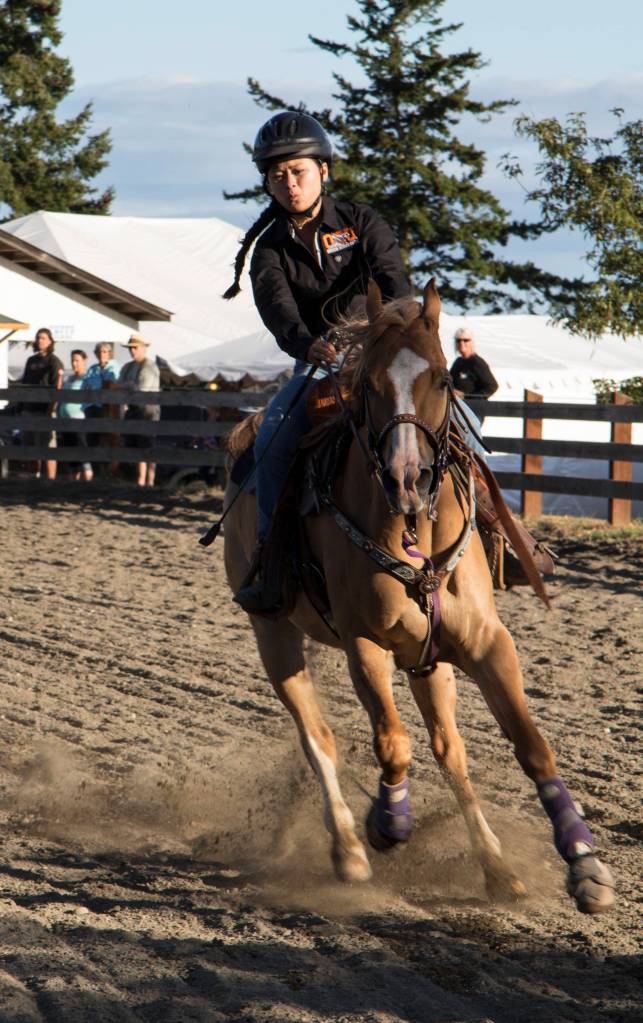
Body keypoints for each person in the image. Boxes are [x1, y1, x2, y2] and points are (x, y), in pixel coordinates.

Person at [223, 110, 412, 613]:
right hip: (319, 362)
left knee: (462, 419)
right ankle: (269, 557)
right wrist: (307, 344)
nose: (289, 184)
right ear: (267, 182)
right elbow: (279, 313)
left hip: (379, 353)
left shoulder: (362, 222)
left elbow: (395, 286)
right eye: (277, 175)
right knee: (272, 436)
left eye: (298, 172)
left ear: (324, 171)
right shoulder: (268, 252)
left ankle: (505, 534)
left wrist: (391, 334)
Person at [20, 327, 64, 480]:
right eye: (38, 337)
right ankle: (34, 477)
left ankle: (51, 480)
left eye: (44, 338)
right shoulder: (31, 361)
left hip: (45, 410)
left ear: (50, 341)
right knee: (30, 447)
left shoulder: (54, 361)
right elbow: (24, 384)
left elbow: (57, 388)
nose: (40, 340)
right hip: (29, 410)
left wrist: (51, 409)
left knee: (48, 447)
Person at [118, 333, 160, 487]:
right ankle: (140, 480)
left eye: (135, 348)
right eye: (131, 348)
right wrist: (129, 386)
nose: (132, 351)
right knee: (135, 444)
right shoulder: (128, 366)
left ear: (143, 348)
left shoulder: (149, 366)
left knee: (147, 445)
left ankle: (148, 480)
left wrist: (128, 386)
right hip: (134, 409)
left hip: (147, 410)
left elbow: (141, 389)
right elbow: (121, 384)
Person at [57, 350, 93, 481]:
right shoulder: (69, 379)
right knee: (71, 453)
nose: (74, 363)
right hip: (65, 420)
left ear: (84, 361)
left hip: (79, 419)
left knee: (82, 451)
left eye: (77, 360)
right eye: (72, 360)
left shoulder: (87, 379)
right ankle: (74, 482)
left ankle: (88, 478)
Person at [449, 328, 498, 401]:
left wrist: (468, 397)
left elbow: (492, 386)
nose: (461, 343)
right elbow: (450, 383)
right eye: (458, 340)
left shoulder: (477, 362)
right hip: (458, 407)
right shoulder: (458, 362)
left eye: (466, 340)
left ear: (471, 342)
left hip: (474, 408)